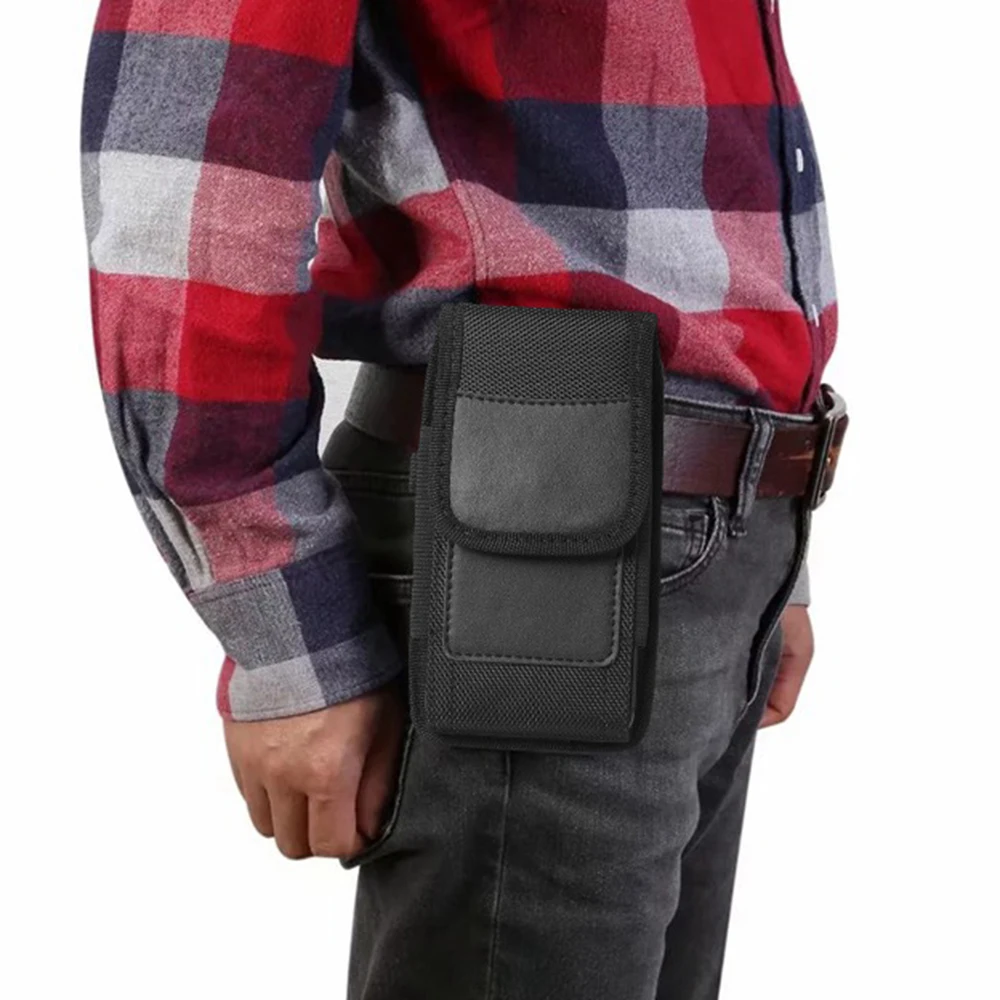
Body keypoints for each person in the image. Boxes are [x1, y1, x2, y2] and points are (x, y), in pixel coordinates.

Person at [81, 1, 846, 997]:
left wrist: (766, 535)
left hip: (701, 533)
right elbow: (186, 188)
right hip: (527, 541)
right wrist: (282, 627)